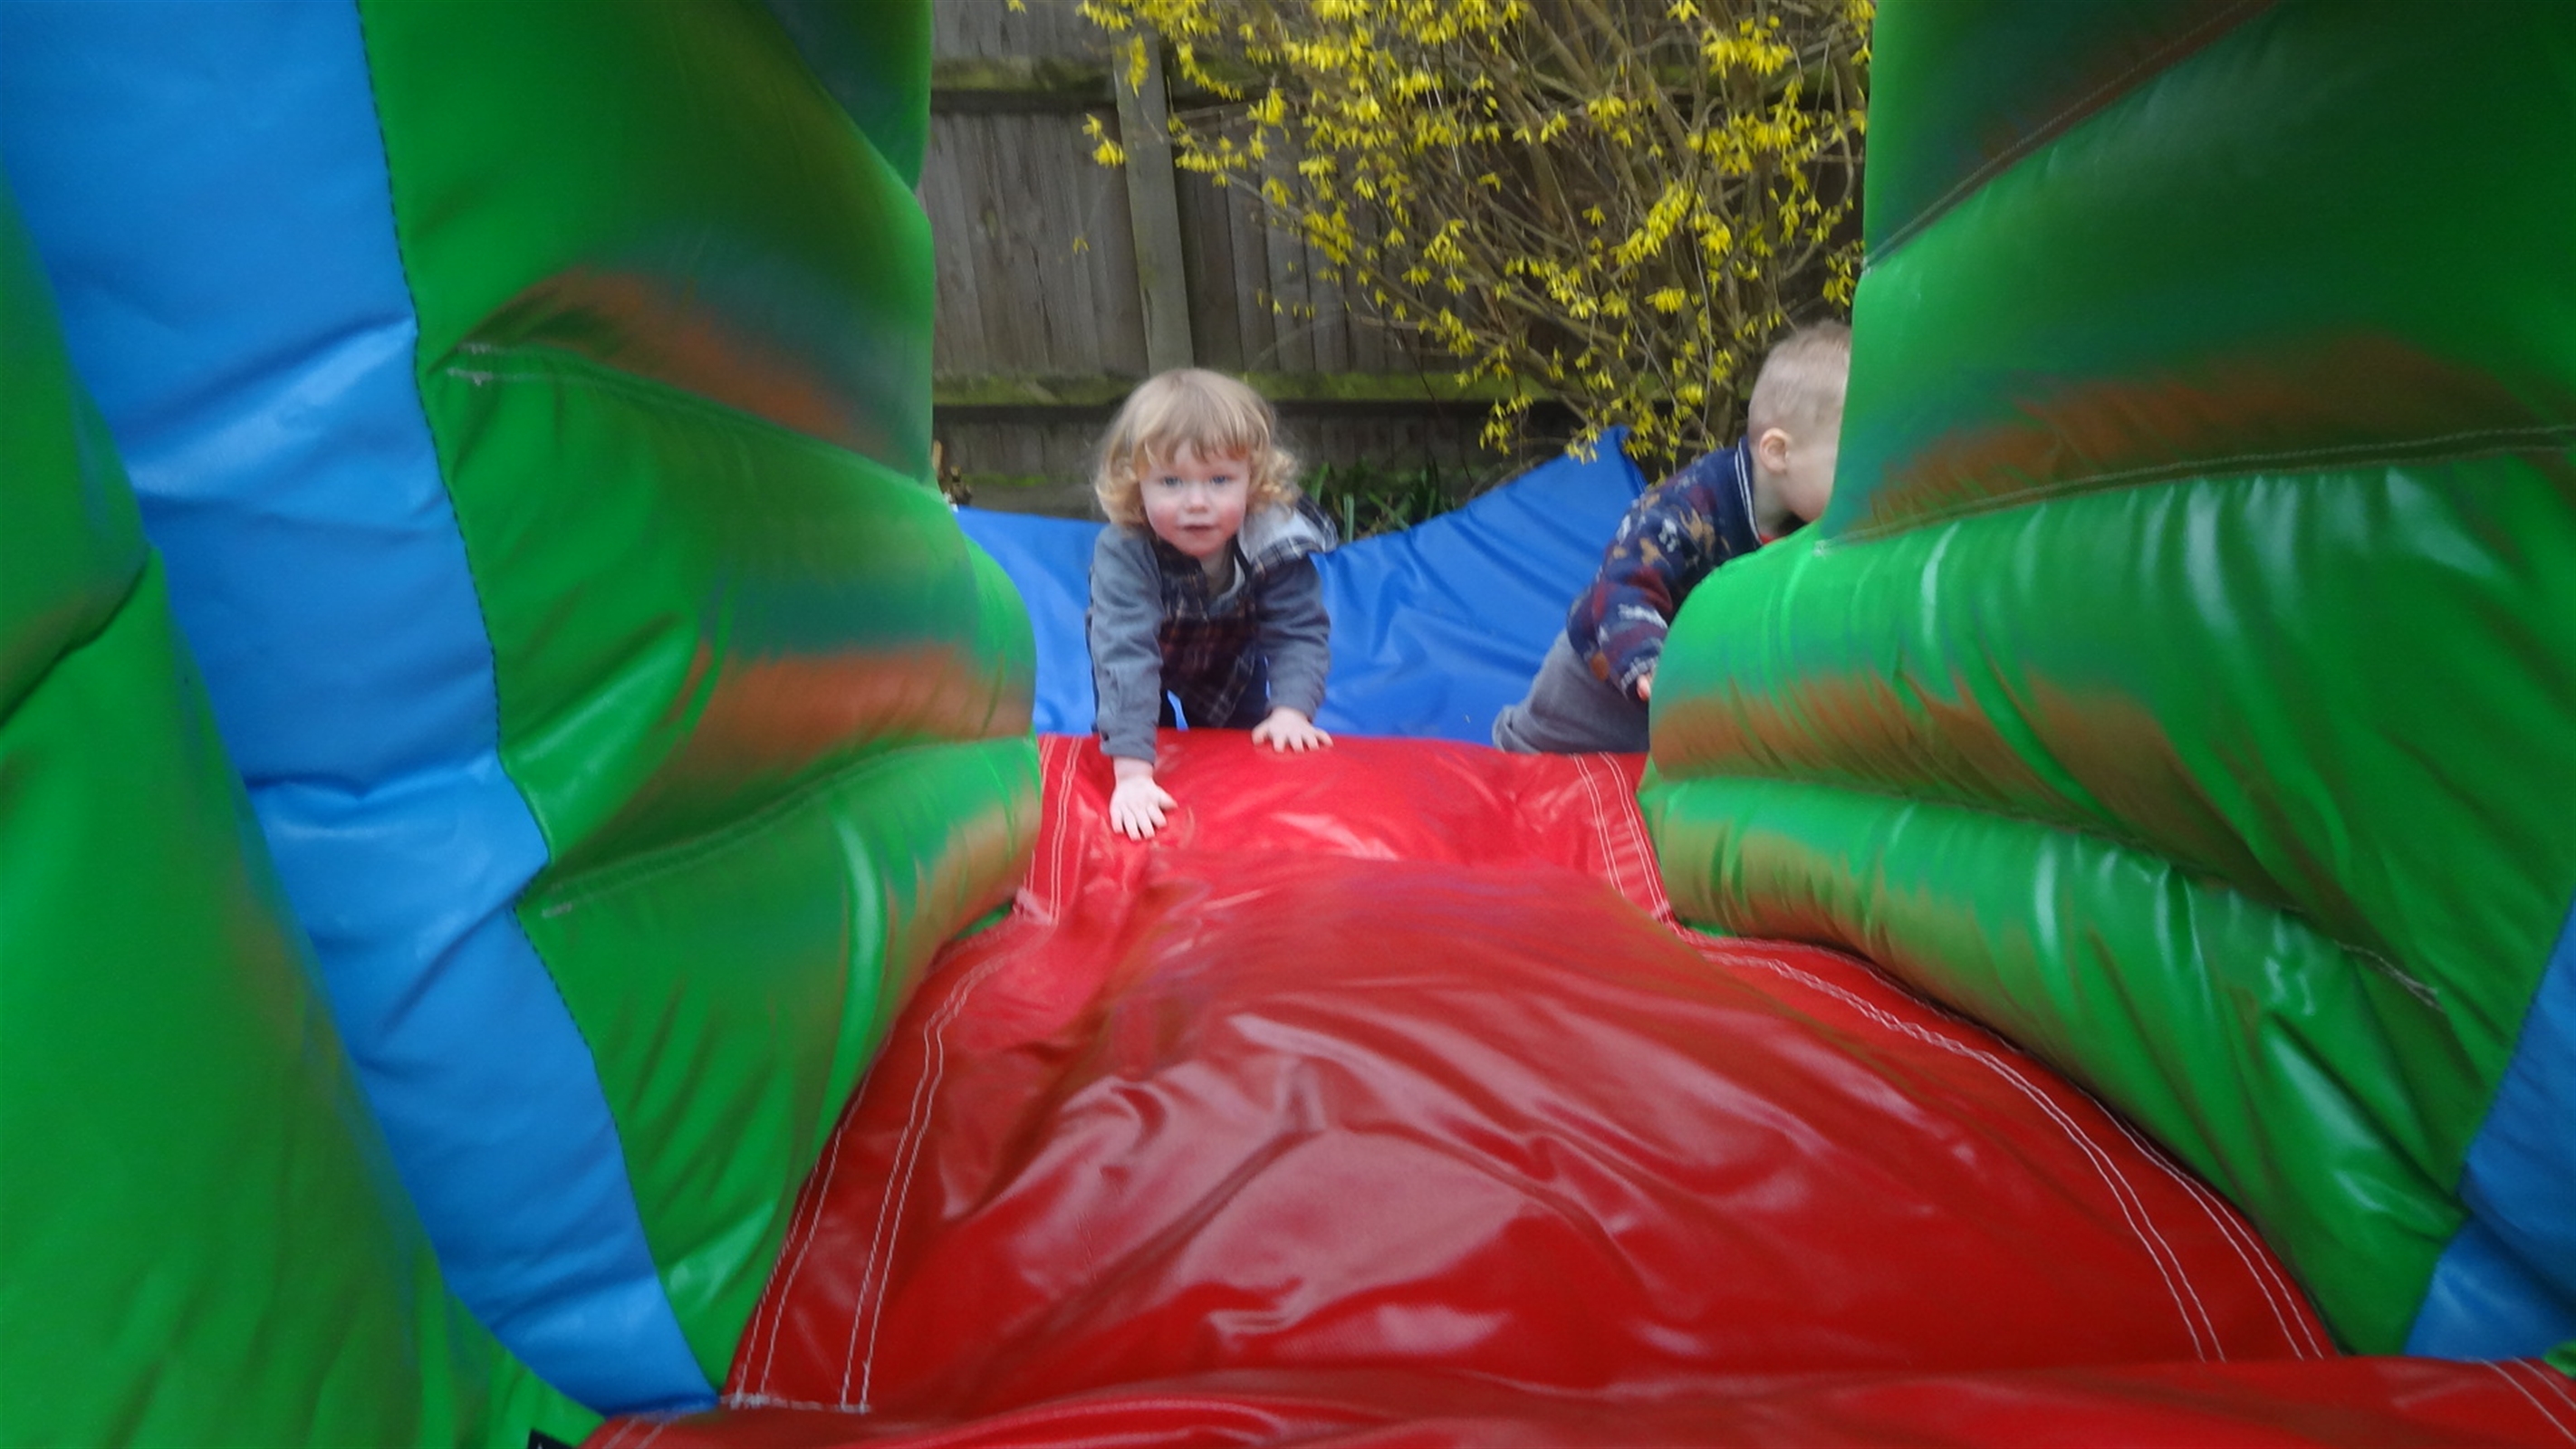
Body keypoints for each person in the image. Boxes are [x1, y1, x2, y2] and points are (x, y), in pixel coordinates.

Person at [1492, 322, 1850, 754]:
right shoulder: (1690, 507)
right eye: (1847, 464)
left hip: (1692, 685)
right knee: (1540, 752)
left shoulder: (1808, 523)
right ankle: (1508, 750)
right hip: (1603, 675)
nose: (1862, 483)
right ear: (1778, 452)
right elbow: (1623, 584)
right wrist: (1649, 664)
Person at [1088, 369, 1338, 840]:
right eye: (1171, 482)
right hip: (1143, 659)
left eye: (1220, 479)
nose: (1197, 502)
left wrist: (1290, 711)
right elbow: (1124, 656)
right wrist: (1132, 776)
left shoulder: (1272, 540)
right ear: (1136, 483)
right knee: (1146, 745)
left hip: (1229, 663)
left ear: (1253, 480)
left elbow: (1298, 630)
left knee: (1242, 757)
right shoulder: (1126, 552)